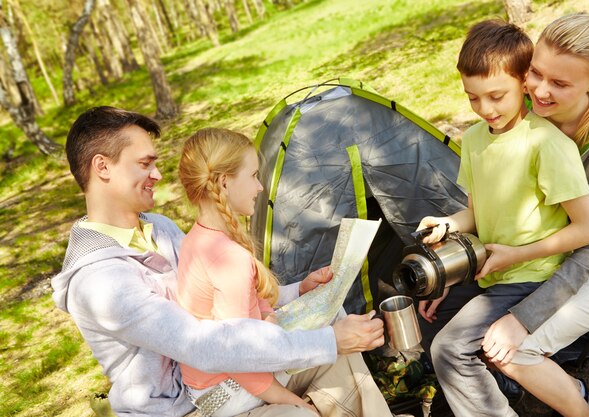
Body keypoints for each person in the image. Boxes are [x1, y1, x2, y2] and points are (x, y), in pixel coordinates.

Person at [51, 106, 388, 417]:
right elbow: (203, 344)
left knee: (339, 360)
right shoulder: (99, 282)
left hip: (226, 374)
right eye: (144, 164)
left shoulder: (160, 228)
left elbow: (215, 300)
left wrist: (296, 292)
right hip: (189, 406)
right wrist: (327, 342)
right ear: (102, 167)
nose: (157, 174)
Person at [414, 19, 589, 417]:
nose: (485, 110)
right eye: (473, 98)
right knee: (428, 320)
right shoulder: (474, 140)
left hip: (532, 275)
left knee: (450, 348)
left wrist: (517, 255)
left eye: (497, 96)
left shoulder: (546, 144)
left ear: (524, 83)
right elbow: (476, 212)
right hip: (492, 270)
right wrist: (450, 224)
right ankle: (502, 389)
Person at [175, 127, 393, 417]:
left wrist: (300, 290)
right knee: (334, 346)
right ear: (224, 183)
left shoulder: (198, 239)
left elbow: (242, 313)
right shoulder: (227, 257)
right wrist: (295, 402)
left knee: (337, 340)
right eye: (253, 176)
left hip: (221, 383)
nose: (260, 187)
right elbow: (243, 358)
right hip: (228, 393)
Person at [478, 13, 589, 417]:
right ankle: (569, 387)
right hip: (557, 244)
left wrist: (522, 319)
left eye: (560, 84)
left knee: (515, 351)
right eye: (535, 73)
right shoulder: (522, 110)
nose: (540, 91)